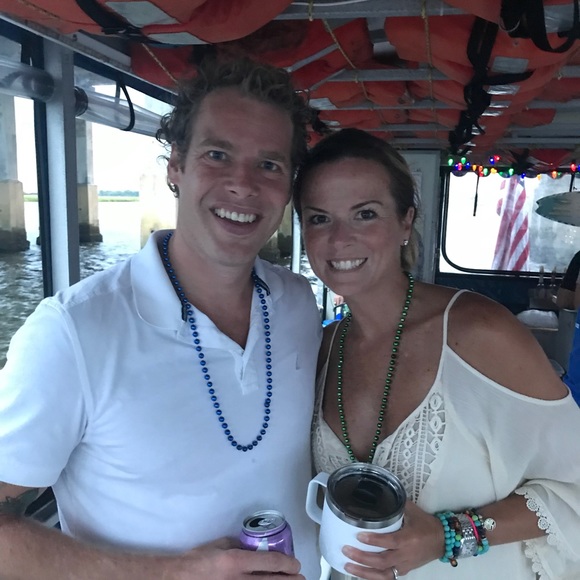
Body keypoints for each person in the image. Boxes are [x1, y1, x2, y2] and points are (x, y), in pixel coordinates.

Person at [0, 58, 323, 579]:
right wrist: (174, 571)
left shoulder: (297, 302)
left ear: (288, 187)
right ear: (176, 166)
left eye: (269, 165)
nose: (242, 185)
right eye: (218, 155)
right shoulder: (72, 332)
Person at [293, 128, 580, 579]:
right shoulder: (322, 349)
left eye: (365, 214)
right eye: (319, 218)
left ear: (406, 221)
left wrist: (449, 534)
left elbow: (574, 490)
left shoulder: (478, 333)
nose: (340, 238)